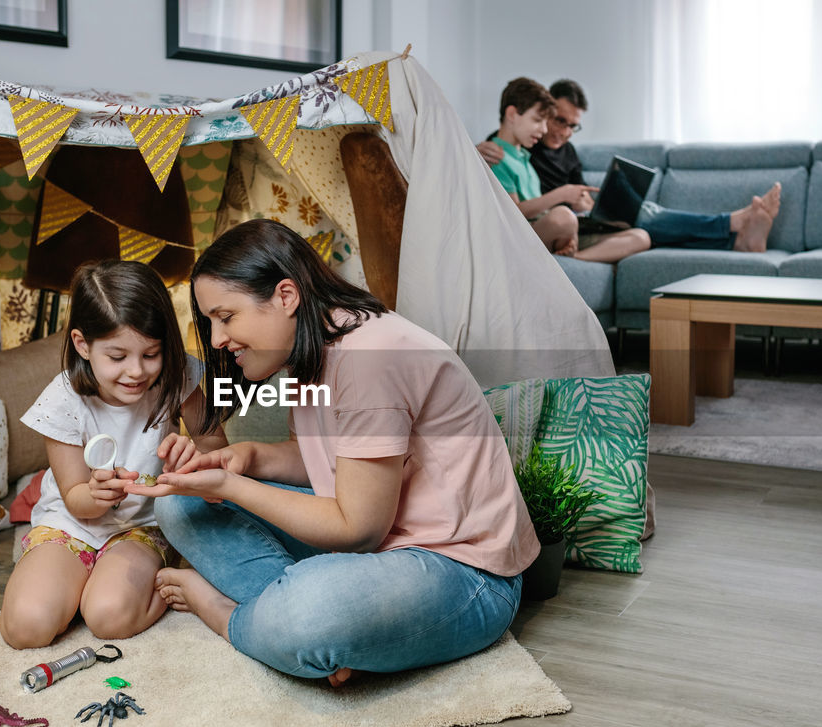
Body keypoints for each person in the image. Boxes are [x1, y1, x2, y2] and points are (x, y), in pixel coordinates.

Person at [129, 219, 539, 687]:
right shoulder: (311, 351)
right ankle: (324, 635)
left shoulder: (373, 358)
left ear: (285, 296)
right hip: (381, 550)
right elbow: (329, 463)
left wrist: (233, 486)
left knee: (313, 609)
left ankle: (235, 617)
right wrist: (246, 459)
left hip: (464, 573)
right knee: (180, 505)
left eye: (225, 316)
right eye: (210, 323)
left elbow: (358, 529)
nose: (218, 338)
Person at [0, 259, 228, 649]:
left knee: (108, 617)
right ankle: (76, 585)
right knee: (26, 628)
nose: (137, 372)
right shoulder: (63, 400)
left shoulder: (176, 379)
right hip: (72, 522)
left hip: (141, 527)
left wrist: (192, 456)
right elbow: (76, 498)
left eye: (151, 353)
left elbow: (221, 459)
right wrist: (97, 493)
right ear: (82, 344)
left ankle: (172, 579)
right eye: (118, 357)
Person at [479, 78, 782, 255]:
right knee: (645, 214)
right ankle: (731, 226)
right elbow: (489, 165)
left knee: (639, 220)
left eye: (572, 126)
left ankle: (736, 238)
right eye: (555, 120)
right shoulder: (509, 150)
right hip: (555, 221)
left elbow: (581, 194)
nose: (556, 131)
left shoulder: (562, 151)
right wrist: (474, 150)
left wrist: (584, 200)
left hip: (580, 216)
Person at [487, 77, 651, 263]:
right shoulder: (496, 155)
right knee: (563, 216)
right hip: (529, 233)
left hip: (565, 224)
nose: (543, 129)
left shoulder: (525, 156)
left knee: (641, 235)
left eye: (572, 126)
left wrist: (574, 224)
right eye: (539, 120)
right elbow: (513, 213)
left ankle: (575, 256)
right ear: (512, 114)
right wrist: (561, 196)